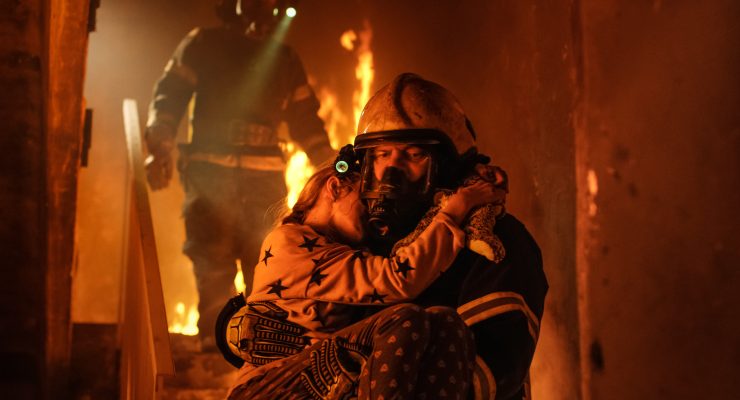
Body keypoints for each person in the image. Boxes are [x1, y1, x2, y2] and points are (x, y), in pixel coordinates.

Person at [223, 158, 506, 399]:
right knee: (405, 319)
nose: (373, 210)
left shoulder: (345, 250)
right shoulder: (290, 241)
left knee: (446, 322)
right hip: (267, 389)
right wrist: (459, 205)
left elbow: (414, 244)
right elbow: (398, 279)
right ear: (335, 187)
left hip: (321, 381)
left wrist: (466, 181)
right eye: (365, 200)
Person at [144, 0, 334, 348]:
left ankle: (258, 347)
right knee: (212, 260)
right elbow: (170, 95)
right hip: (210, 176)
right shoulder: (204, 43)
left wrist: (333, 164)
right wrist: (160, 139)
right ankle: (217, 347)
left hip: (260, 181)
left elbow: (306, 119)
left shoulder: (284, 58)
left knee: (263, 263)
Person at [352, 73, 549, 400]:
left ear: (449, 165)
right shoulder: (361, 237)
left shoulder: (498, 243)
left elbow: (491, 369)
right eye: (382, 155)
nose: (391, 172)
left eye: (413, 155)